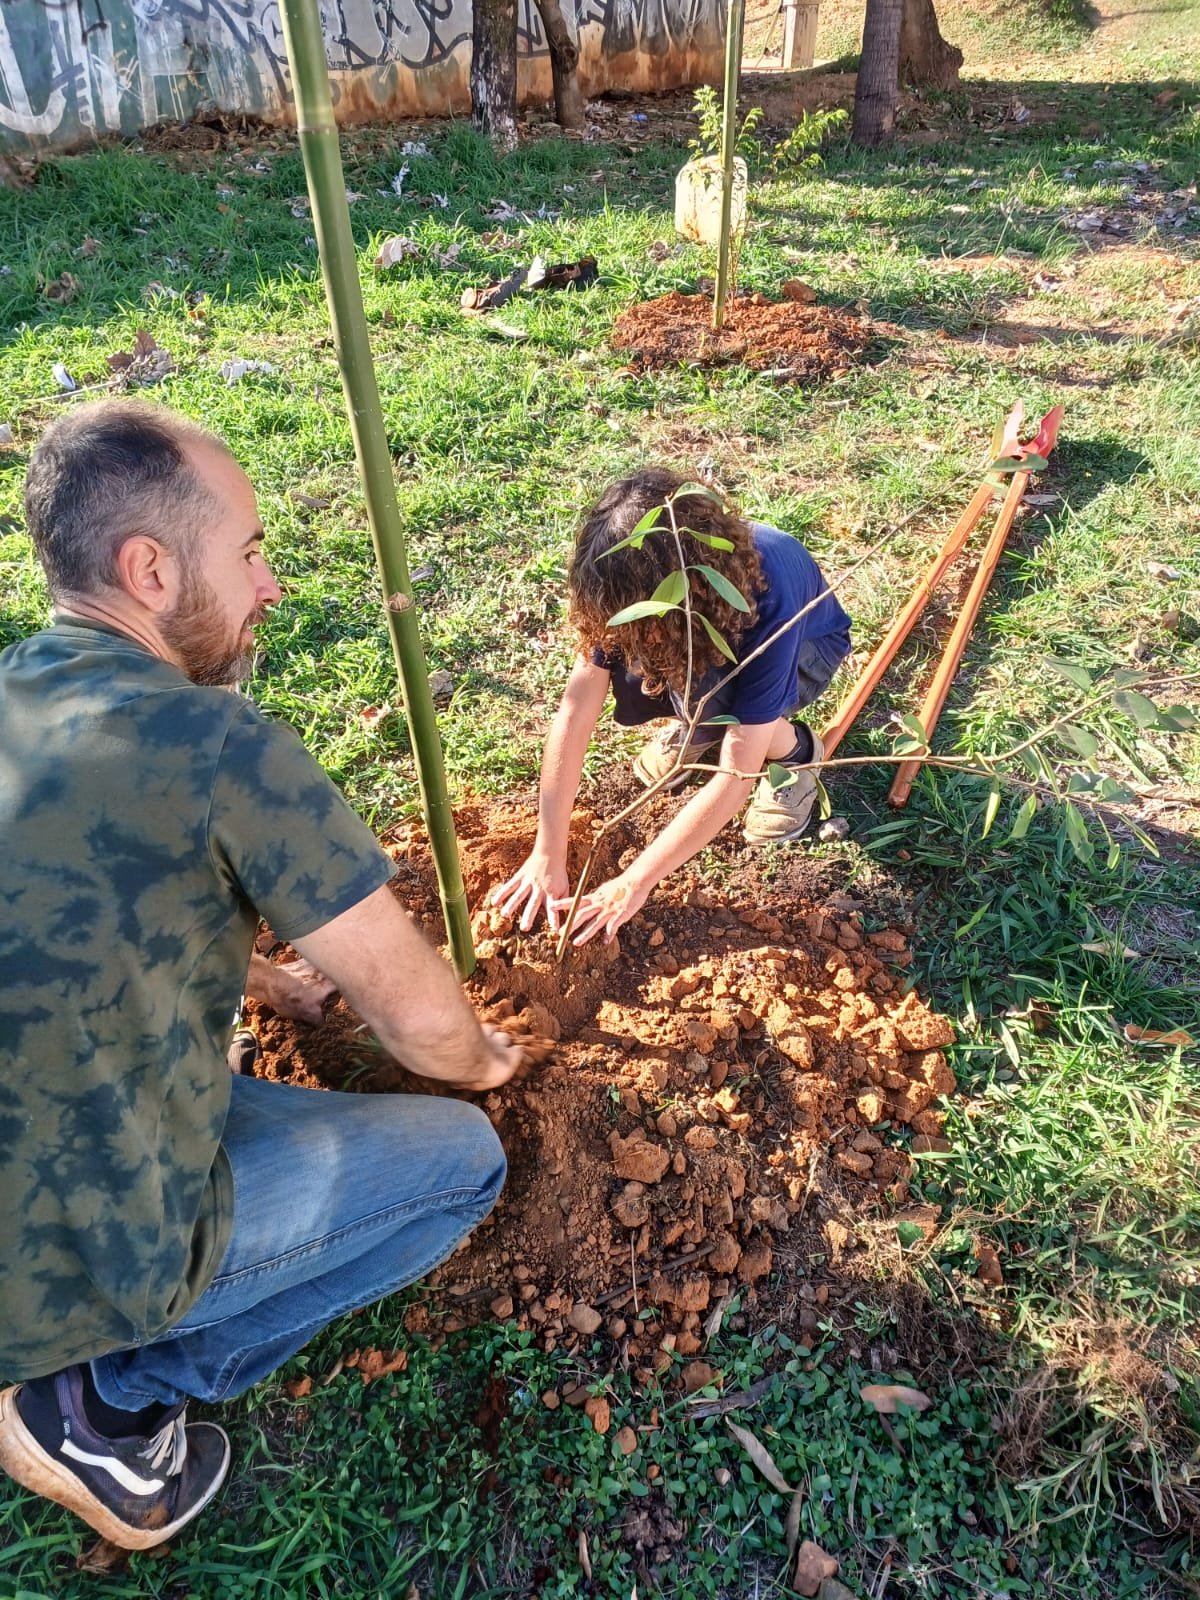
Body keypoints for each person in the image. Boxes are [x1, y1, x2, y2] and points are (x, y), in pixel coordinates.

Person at [0, 400, 522, 1550]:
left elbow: (63, 921)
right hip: (52, 1250)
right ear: (147, 568)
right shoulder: (217, 745)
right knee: (463, 1164)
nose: (271, 584)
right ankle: (104, 1403)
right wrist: (496, 1058)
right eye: (247, 550)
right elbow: (423, 1025)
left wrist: (264, 987)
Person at [492, 468, 851, 946]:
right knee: (638, 656)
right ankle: (701, 726)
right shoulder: (627, 585)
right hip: (701, 635)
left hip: (805, 650)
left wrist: (633, 882)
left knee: (735, 714)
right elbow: (575, 711)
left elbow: (735, 774)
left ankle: (795, 754)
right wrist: (547, 852)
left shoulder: (770, 597)